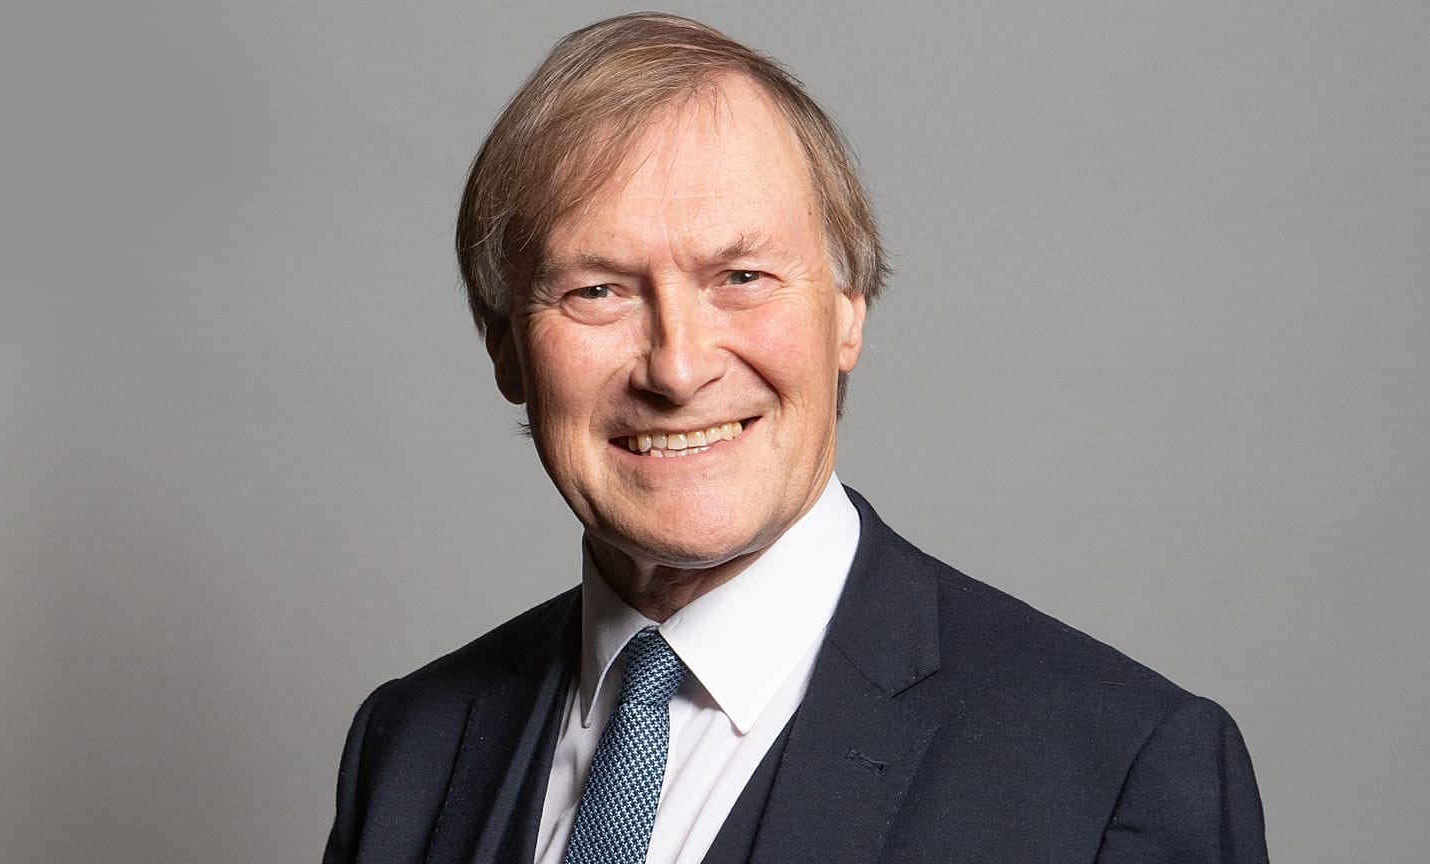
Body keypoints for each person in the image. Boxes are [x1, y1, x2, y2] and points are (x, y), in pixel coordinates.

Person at [323, 12, 1268, 864]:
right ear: (506, 350)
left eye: (740, 276)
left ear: (849, 312)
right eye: (597, 290)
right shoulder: (409, 749)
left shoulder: (1115, 774)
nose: (678, 368)